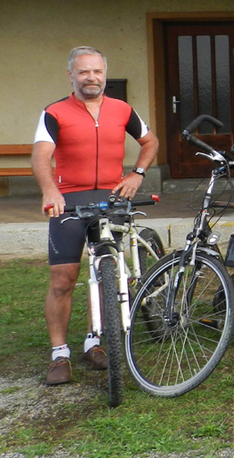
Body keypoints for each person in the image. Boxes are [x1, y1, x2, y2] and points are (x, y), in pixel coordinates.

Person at [32, 46, 159, 386]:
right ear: (71, 75)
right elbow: (41, 155)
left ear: (105, 74)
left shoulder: (122, 109)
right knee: (63, 278)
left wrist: (137, 174)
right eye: (84, 72)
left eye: (97, 71)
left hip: (111, 197)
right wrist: (50, 191)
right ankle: (60, 354)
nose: (91, 78)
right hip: (69, 200)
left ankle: (95, 342)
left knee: (108, 273)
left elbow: (150, 142)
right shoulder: (54, 112)